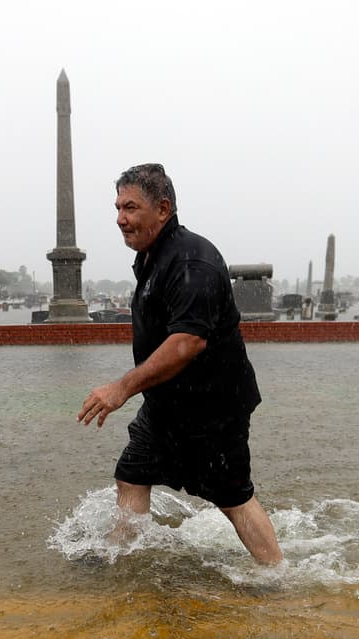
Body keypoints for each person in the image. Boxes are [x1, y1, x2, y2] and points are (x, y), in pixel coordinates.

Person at [77, 163, 283, 565]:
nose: (121, 219)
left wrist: (120, 389)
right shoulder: (154, 256)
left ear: (163, 209)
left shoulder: (192, 261)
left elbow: (187, 342)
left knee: (233, 497)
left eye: (131, 207)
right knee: (133, 471)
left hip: (212, 407)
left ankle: (278, 576)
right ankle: (123, 555)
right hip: (168, 404)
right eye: (118, 207)